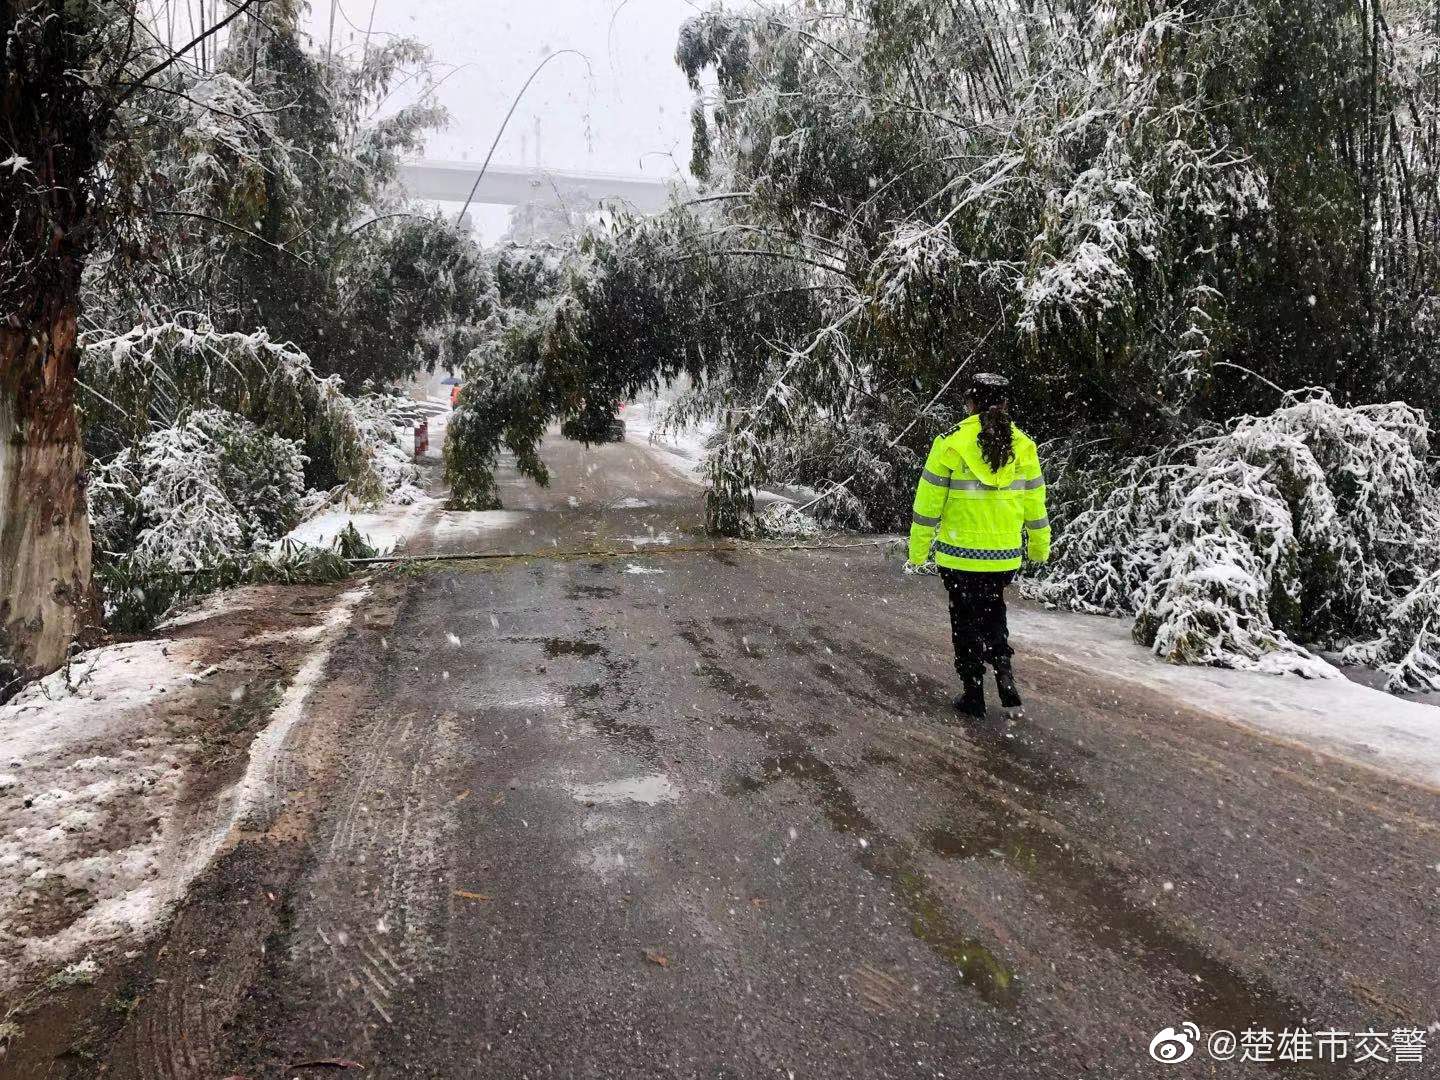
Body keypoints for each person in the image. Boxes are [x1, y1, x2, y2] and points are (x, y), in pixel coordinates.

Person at [906, 373, 1050, 718]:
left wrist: (918, 551)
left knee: (964, 619)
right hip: (1003, 554)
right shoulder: (1024, 445)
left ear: (970, 403)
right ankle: (1002, 665)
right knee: (993, 607)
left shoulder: (951, 443)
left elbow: (928, 504)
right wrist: (1038, 548)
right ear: (1004, 404)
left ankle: (973, 694)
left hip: (960, 553)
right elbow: (1035, 503)